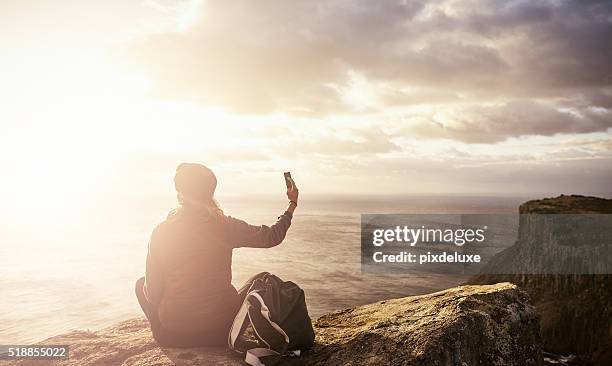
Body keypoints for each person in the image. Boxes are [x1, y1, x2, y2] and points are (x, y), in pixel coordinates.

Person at [135, 163, 299, 347]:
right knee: (262, 279)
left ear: (179, 191)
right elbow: (272, 237)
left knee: (141, 284)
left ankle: (170, 328)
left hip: (173, 337)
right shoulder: (225, 226)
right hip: (221, 330)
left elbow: (152, 294)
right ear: (210, 191)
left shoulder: (161, 232)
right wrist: (292, 204)